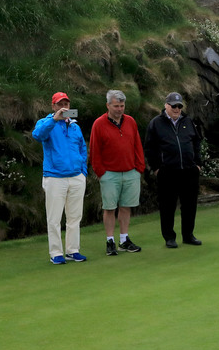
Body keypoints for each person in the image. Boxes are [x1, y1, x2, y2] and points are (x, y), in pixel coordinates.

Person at [32, 92, 88, 264]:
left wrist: (82, 172)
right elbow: (38, 135)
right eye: (60, 104)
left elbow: (82, 149)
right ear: (53, 106)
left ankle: (73, 250)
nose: (64, 107)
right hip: (55, 177)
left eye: (66, 104)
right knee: (54, 218)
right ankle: (56, 253)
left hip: (76, 177)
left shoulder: (74, 126)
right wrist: (54, 119)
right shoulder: (45, 122)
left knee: (74, 217)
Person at [89, 90, 144, 256]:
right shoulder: (99, 124)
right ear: (108, 105)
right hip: (109, 174)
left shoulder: (131, 121)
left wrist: (139, 168)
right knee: (109, 208)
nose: (120, 109)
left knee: (126, 207)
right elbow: (94, 151)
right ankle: (110, 241)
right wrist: (101, 172)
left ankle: (124, 239)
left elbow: (137, 145)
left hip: (130, 172)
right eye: (116, 106)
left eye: (122, 105)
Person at [145, 92, 203, 248]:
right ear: (166, 106)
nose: (177, 109)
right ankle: (169, 237)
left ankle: (188, 235)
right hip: (168, 171)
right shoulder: (156, 123)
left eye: (179, 106)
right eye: (174, 106)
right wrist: (156, 168)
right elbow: (150, 148)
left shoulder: (188, 121)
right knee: (167, 206)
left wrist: (198, 163)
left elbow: (196, 142)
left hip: (189, 170)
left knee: (190, 205)